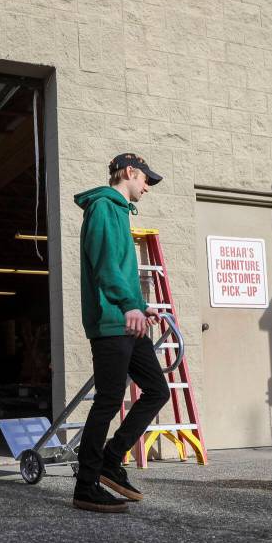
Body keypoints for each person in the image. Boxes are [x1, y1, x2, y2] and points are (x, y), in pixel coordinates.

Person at [72, 153, 171, 513]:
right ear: (130, 172)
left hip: (129, 317)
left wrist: (139, 304)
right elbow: (104, 264)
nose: (147, 186)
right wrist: (127, 303)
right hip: (112, 320)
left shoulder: (118, 211)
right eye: (146, 179)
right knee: (109, 400)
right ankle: (86, 485)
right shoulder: (102, 207)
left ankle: (112, 459)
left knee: (157, 390)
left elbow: (120, 269)